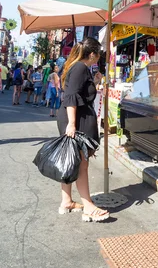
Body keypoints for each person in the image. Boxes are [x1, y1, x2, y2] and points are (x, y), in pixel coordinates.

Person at [57, 37, 109, 222]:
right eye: (98, 55)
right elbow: (71, 96)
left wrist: (93, 83)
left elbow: (76, 93)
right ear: (93, 53)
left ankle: (67, 201)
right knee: (81, 163)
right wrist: (71, 124)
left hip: (74, 117)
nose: (99, 58)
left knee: (71, 160)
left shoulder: (76, 66)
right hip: (76, 119)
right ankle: (88, 206)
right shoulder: (80, 67)